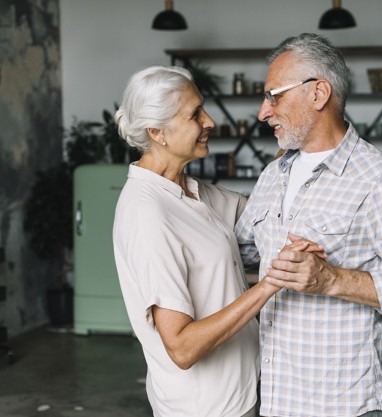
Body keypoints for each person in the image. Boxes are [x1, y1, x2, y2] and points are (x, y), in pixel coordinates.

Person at [235, 33, 382, 417]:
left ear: (318, 94)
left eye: (273, 96)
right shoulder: (272, 175)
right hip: (276, 400)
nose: (263, 112)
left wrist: (330, 278)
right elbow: (244, 252)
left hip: (343, 404)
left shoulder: (380, 179)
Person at [111, 66, 322, 417]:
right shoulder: (147, 213)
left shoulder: (191, 191)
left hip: (244, 392)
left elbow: (262, 209)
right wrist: (269, 284)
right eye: (195, 114)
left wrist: (290, 140)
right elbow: (181, 346)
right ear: (157, 132)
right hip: (206, 407)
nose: (209, 121)